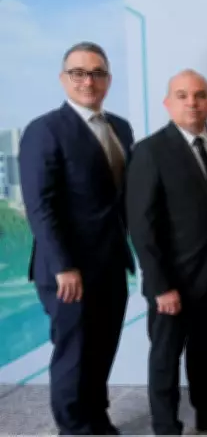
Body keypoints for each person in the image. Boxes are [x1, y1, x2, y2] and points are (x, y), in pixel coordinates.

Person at [126, 69, 207, 436]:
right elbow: (142, 226)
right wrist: (160, 285)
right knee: (165, 358)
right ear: (168, 103)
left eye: (199, 95)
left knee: (205, 350)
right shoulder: (150, 151)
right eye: (182, 95)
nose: (192, 103)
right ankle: (166, 426)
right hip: (172, 282)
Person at [18, 42, 133, 435]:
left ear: (108, 80)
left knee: (102, 347)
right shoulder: (45, 130)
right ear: (63, 79)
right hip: (68, 269)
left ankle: (96, 419)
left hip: (110, 262)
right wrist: (63, 265)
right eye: (79, 73)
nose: (88, 81)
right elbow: (40, 207)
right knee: (75, 354)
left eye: (97, 73)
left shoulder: (120, 128)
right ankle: (73, 428)